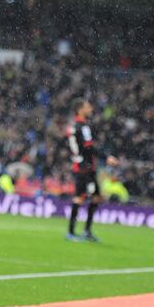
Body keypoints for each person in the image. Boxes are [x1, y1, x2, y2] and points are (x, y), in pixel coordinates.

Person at [66, 98, 118, 242]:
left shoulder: (74, 126)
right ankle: (71, 232)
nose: (91, 108)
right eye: (87, 106)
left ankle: (86, 231)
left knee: (96, 197)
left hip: (83, 166)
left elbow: (73, 146)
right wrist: (106, 157)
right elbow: (88, 147)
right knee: (79, 198)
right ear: (80, 109)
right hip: (84, 168)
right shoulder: (83, 127)